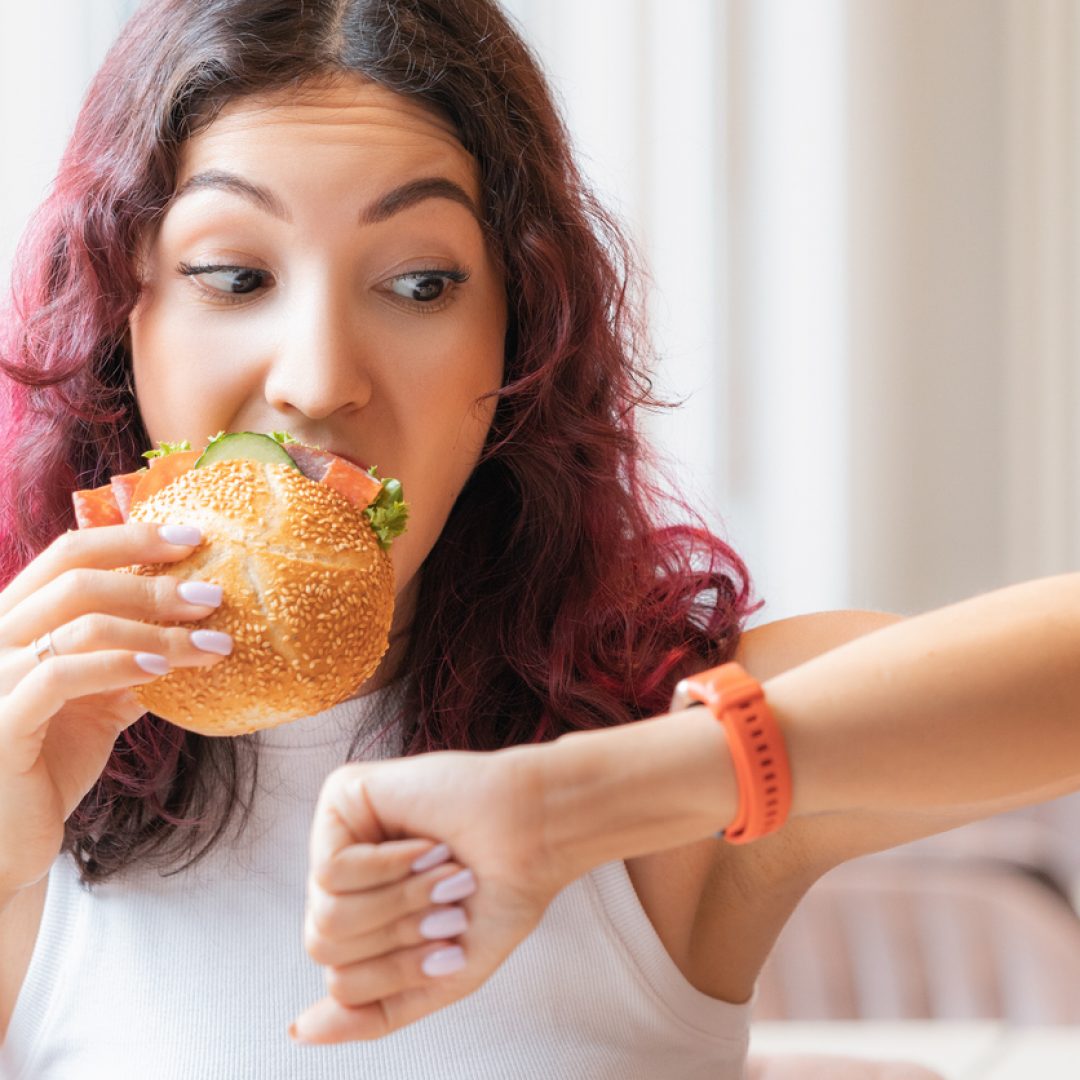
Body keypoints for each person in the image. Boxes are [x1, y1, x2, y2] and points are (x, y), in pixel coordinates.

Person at [0, 1, 1075, 1077]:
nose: (319, 378)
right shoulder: (25, 782)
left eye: (420, 284)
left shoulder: (660, 735)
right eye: (236, 278)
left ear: (519, 339)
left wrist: (590, 799)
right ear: (118, 318)